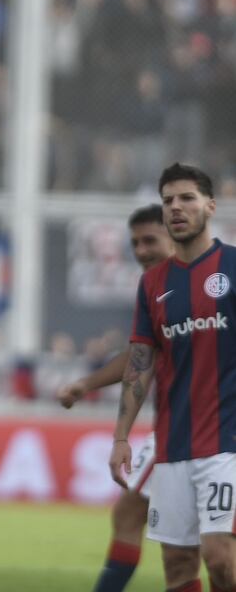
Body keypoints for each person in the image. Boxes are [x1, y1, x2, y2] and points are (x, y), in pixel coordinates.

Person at [110, 163, 236, 592]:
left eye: (186, 198)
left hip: (227, 445)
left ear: (210, 206)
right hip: (172, 447)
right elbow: (140, 362)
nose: (176, 208)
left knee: (220, 560)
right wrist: (121, 437)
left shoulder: (233, 267)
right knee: (178, 567)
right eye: (168, 201)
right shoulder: (152, 284)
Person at [57, 204, 184, 592]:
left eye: (150, 240)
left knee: (192, 548)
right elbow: (142, 353)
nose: (141, 251)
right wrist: (87, 384)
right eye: (135, 244)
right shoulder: (156, 289)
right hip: (184, 425)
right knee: (181, 543)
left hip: (196, 426)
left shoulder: (194, 285)